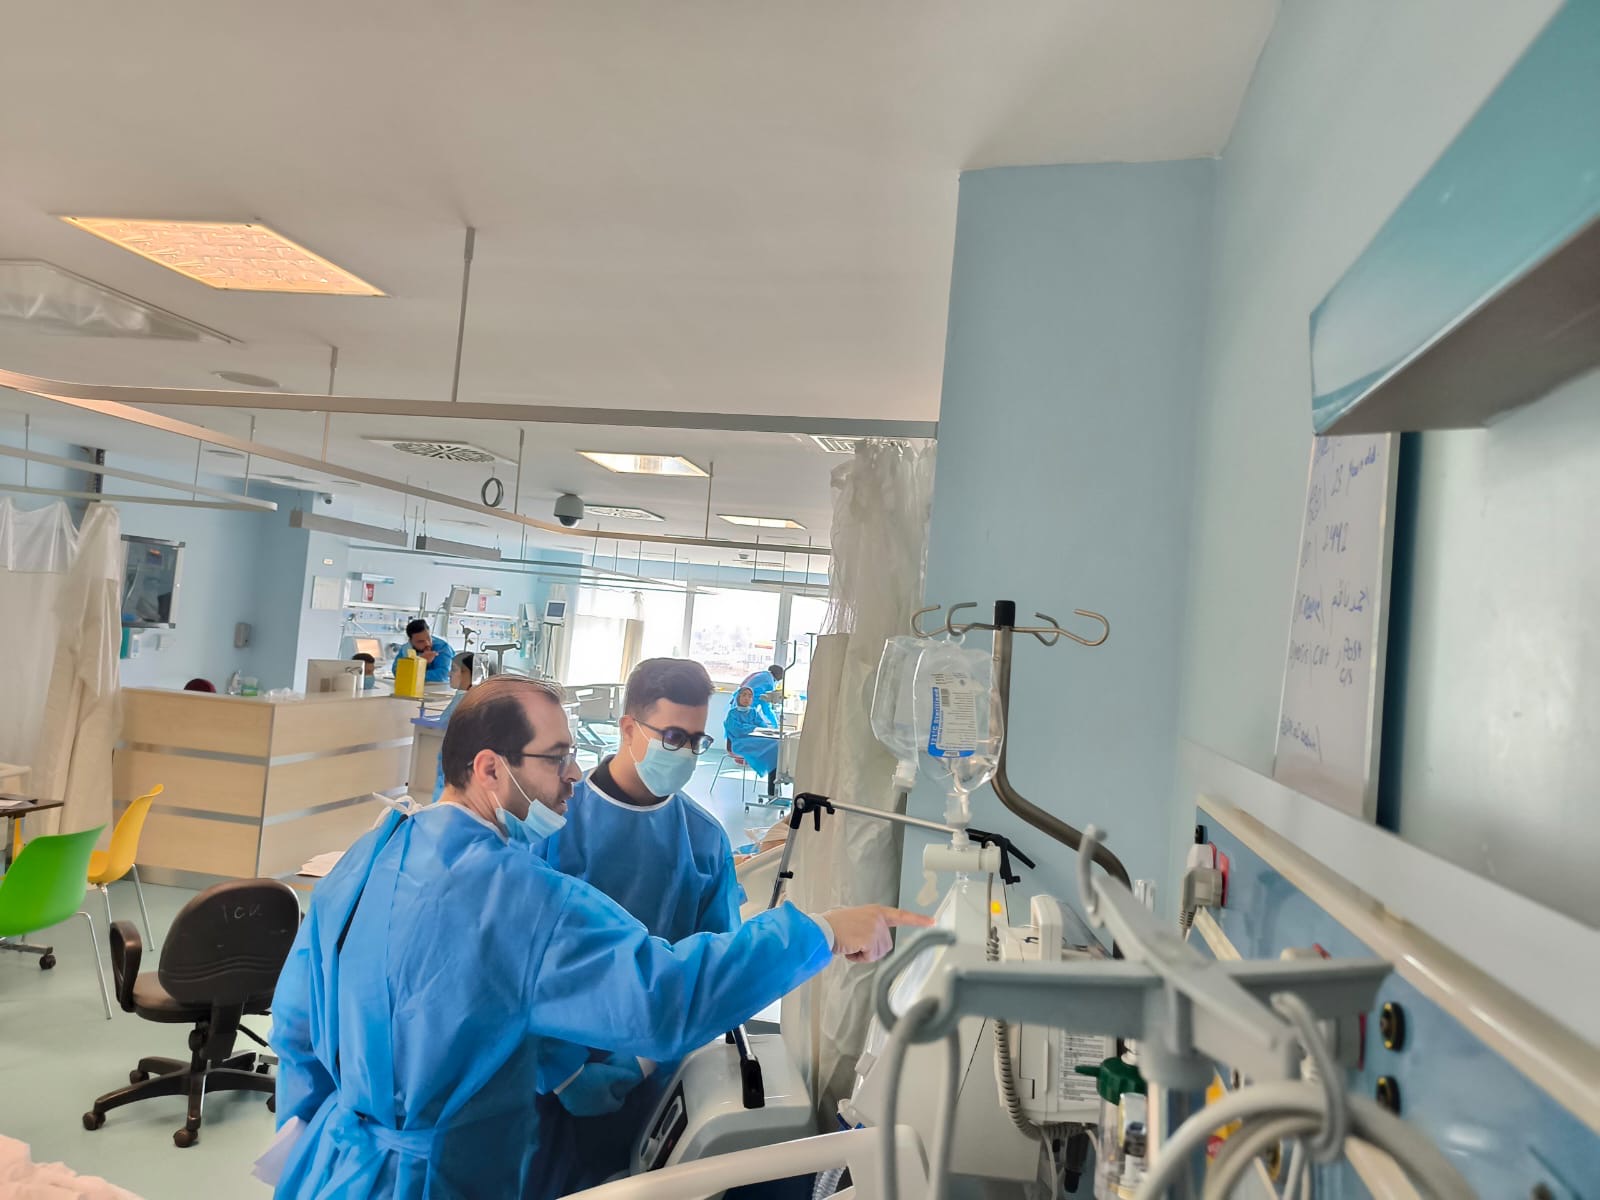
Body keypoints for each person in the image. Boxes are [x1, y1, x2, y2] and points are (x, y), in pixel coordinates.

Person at [267, 677, 926, 1200]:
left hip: (330, 1170)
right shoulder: (517, 896)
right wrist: (818, 932)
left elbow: (295, 1022)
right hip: (442, 1180)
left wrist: (311, 1141)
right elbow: (665, 995)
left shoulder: (371, 852)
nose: (574, 774)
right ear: (490, 769)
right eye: (556, 758)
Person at [538, 658, 738, 1192]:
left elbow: (717, 971)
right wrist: (559, 1069)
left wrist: (644, 1061)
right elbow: (510, 962)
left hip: (650, 1085)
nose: (687, 752)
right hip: (543, 1084)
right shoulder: (554, 823)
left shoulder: (704, 841)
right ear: (629, 728)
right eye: (673, 736)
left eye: (697, 740)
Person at [430, 652, 476, 803]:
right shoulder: (465, 698)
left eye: (454, 669)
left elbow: (445, 725)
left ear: (469, 673)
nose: (449, 674)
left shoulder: (466, 701)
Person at [723, 685, 778, 777]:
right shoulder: (732, 713)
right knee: (772, 747)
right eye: (744, 695)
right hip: (739, 743)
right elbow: (737, 730)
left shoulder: (753, 712)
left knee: (776, 744)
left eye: (750, 696)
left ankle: (773, 776)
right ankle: (772, 775)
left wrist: (749, 728)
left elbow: (763, 726)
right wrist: (753, 728)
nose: (747, 698)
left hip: (754, 740)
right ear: (738, 697)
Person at [394, 618, 455, 684]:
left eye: (428, 638)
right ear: (411, 642)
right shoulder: (406, 649)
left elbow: (443, 675)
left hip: (439, 687)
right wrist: (420, 661)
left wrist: (411, 672)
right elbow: (396, 671)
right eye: (420, 641)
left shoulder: (442, 648)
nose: (427, 644)